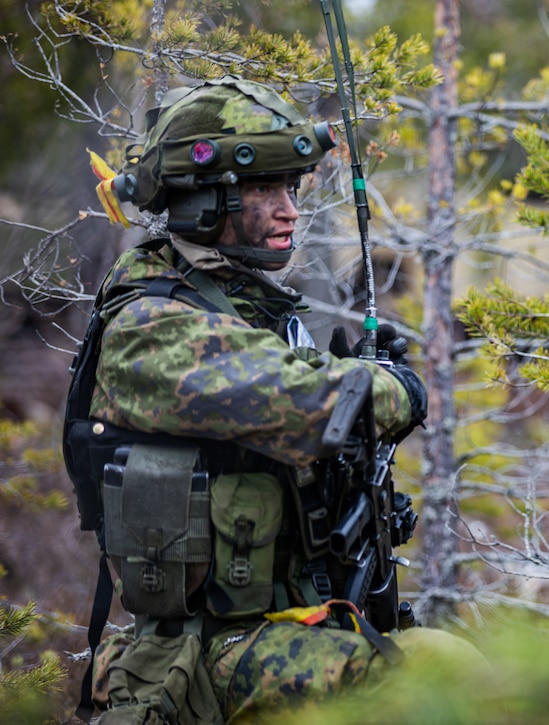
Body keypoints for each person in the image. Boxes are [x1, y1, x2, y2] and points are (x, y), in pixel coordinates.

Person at [68, 76, 482, 722]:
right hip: (201, 654)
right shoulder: (150, 324)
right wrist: (389, 388)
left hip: (280, 622)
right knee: (444, 677)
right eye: (265, 189)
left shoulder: (239, 302)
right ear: (203, 198)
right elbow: (309, 400)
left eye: (291, 188)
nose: (289, 209)